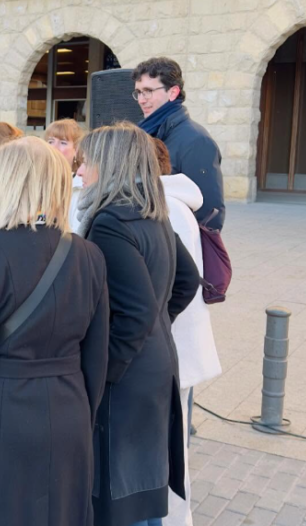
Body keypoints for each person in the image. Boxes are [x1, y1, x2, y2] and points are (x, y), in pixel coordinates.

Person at [0, 136, 110, 526]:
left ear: (8, 182)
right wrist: (81, 416)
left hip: (1, 420)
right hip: (69, 417)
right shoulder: (89, 255)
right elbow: (97, 359)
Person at [76, 122, 200, 526]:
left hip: (125, 380)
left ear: (108, 165)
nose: (79, 171)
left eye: (86, 162)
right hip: (155, 367)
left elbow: (136, 311)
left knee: (121, 497)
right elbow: (185, 282)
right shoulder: (152, 214)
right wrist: (159, 330)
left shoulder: (111, 222)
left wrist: (103, 374)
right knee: (141, 491)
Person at [154, 139, 222, 526]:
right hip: (168, 347)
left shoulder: (170, 209)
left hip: (172, 349)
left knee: (169, 448)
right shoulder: (170, 205)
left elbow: (182, 281)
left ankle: (175, 519)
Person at [132, 57, 225, 230]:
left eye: (148, 91)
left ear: (173, 92)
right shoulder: (142, 134)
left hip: (176, 246)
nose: (141, 100)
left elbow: (209, 214)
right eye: (138, 92)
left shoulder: (197, 141)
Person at [45, 119, 86, 230]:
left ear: (76, 150)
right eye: (50, 141)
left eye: (63, 142)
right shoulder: (37, 183)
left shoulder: (81, 186)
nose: (54, 148)